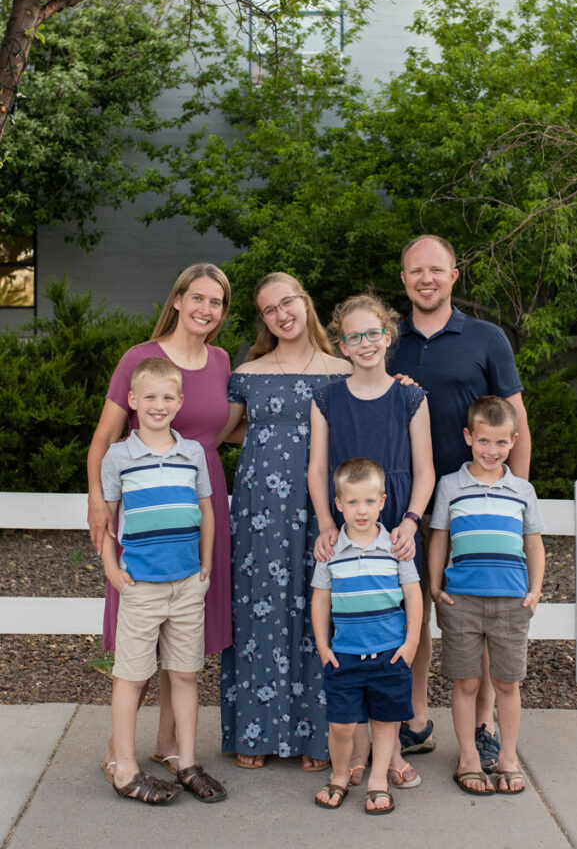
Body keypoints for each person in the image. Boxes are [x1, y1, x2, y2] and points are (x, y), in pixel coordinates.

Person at [389, 235, 531, 771]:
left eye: (436, 269)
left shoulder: (486, 338)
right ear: (403, 279)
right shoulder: (387, 340)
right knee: (416, 609)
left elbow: (516, 421)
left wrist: (513, 501)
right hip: (403, 502)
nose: (426, 278)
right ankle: (416, 718)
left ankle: (484, 724)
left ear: (453, 275)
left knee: (481, 608)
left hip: (476, 505)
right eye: (415, 270)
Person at [88, 262, 233, 778]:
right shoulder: (140, 359)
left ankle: (170, 742)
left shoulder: (220, 361)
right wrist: (97, 502)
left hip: (201, 495)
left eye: (215, 302)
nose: (205, 309)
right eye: (197, 298)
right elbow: (104, 438)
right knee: (141, 622)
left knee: (185, 632)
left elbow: (229, 425)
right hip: (146, 502)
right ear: (177, 300)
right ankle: (118, 748)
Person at [218, 272, 351, 770]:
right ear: (264, 319)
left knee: (318, 607)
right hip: (259, 509)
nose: (282, 314)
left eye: (288, 302)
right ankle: (255, 733)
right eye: (270, 309)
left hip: (320, 504)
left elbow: (370, 408)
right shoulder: (249, 371)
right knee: (261, 609)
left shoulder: (340, 370)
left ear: (305, 302)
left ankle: (315, 737)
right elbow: (221, 430)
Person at [308, 293, 435, 790]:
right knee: (351, 615)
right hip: (344, 514)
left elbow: (425, 469)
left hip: (396, 513)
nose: (365, 343)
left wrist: (410, 519)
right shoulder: (326, 398)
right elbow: (317, 468)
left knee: (402, 619)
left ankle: (394, 745)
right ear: (342, 343)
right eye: (354, 336)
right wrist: (325, 523)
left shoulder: (410, 396)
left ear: (388, 337)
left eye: (373, 333)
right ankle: (359, 749)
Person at [100, 357, 226, 804]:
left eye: (167, 397)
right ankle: (125, 769)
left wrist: (206, 565)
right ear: (132, 401)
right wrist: (112, 570)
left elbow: (207, 509)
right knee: (131, 676)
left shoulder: (191, 453)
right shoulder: (119, 456)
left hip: (188, 584)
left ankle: (187, 761)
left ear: (180, 402)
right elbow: (109, 520)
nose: (158, 404)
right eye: (149, 397)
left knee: (186, 674)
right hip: (141, 587)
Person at [429, 396, 544, 795]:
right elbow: (439, 536)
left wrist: (535, 590)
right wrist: (434, 586)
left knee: (508, 683)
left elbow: (534, 543)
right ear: (468, 437)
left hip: (511, 601)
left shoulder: (522, 491)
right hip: (461, 601)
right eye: (483, 441)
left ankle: (508, 758)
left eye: (500, 443)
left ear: (513, 441)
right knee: (465, 683)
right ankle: (468, 759)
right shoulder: (450, 486)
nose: (491, 451)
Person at [311, 458, 422, 815]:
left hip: (390, 654)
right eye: (353, 502)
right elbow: (320, 600)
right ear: (339, 503)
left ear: (383, 501)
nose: (362, 511)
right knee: (342, 725)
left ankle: (378, 781)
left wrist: (411, 643)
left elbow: (414, 594)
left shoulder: (395, 546)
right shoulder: (330, 552)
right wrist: (322, 646)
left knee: (385, 722)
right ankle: (340, 775)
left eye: (370, 502)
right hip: (344, 655)